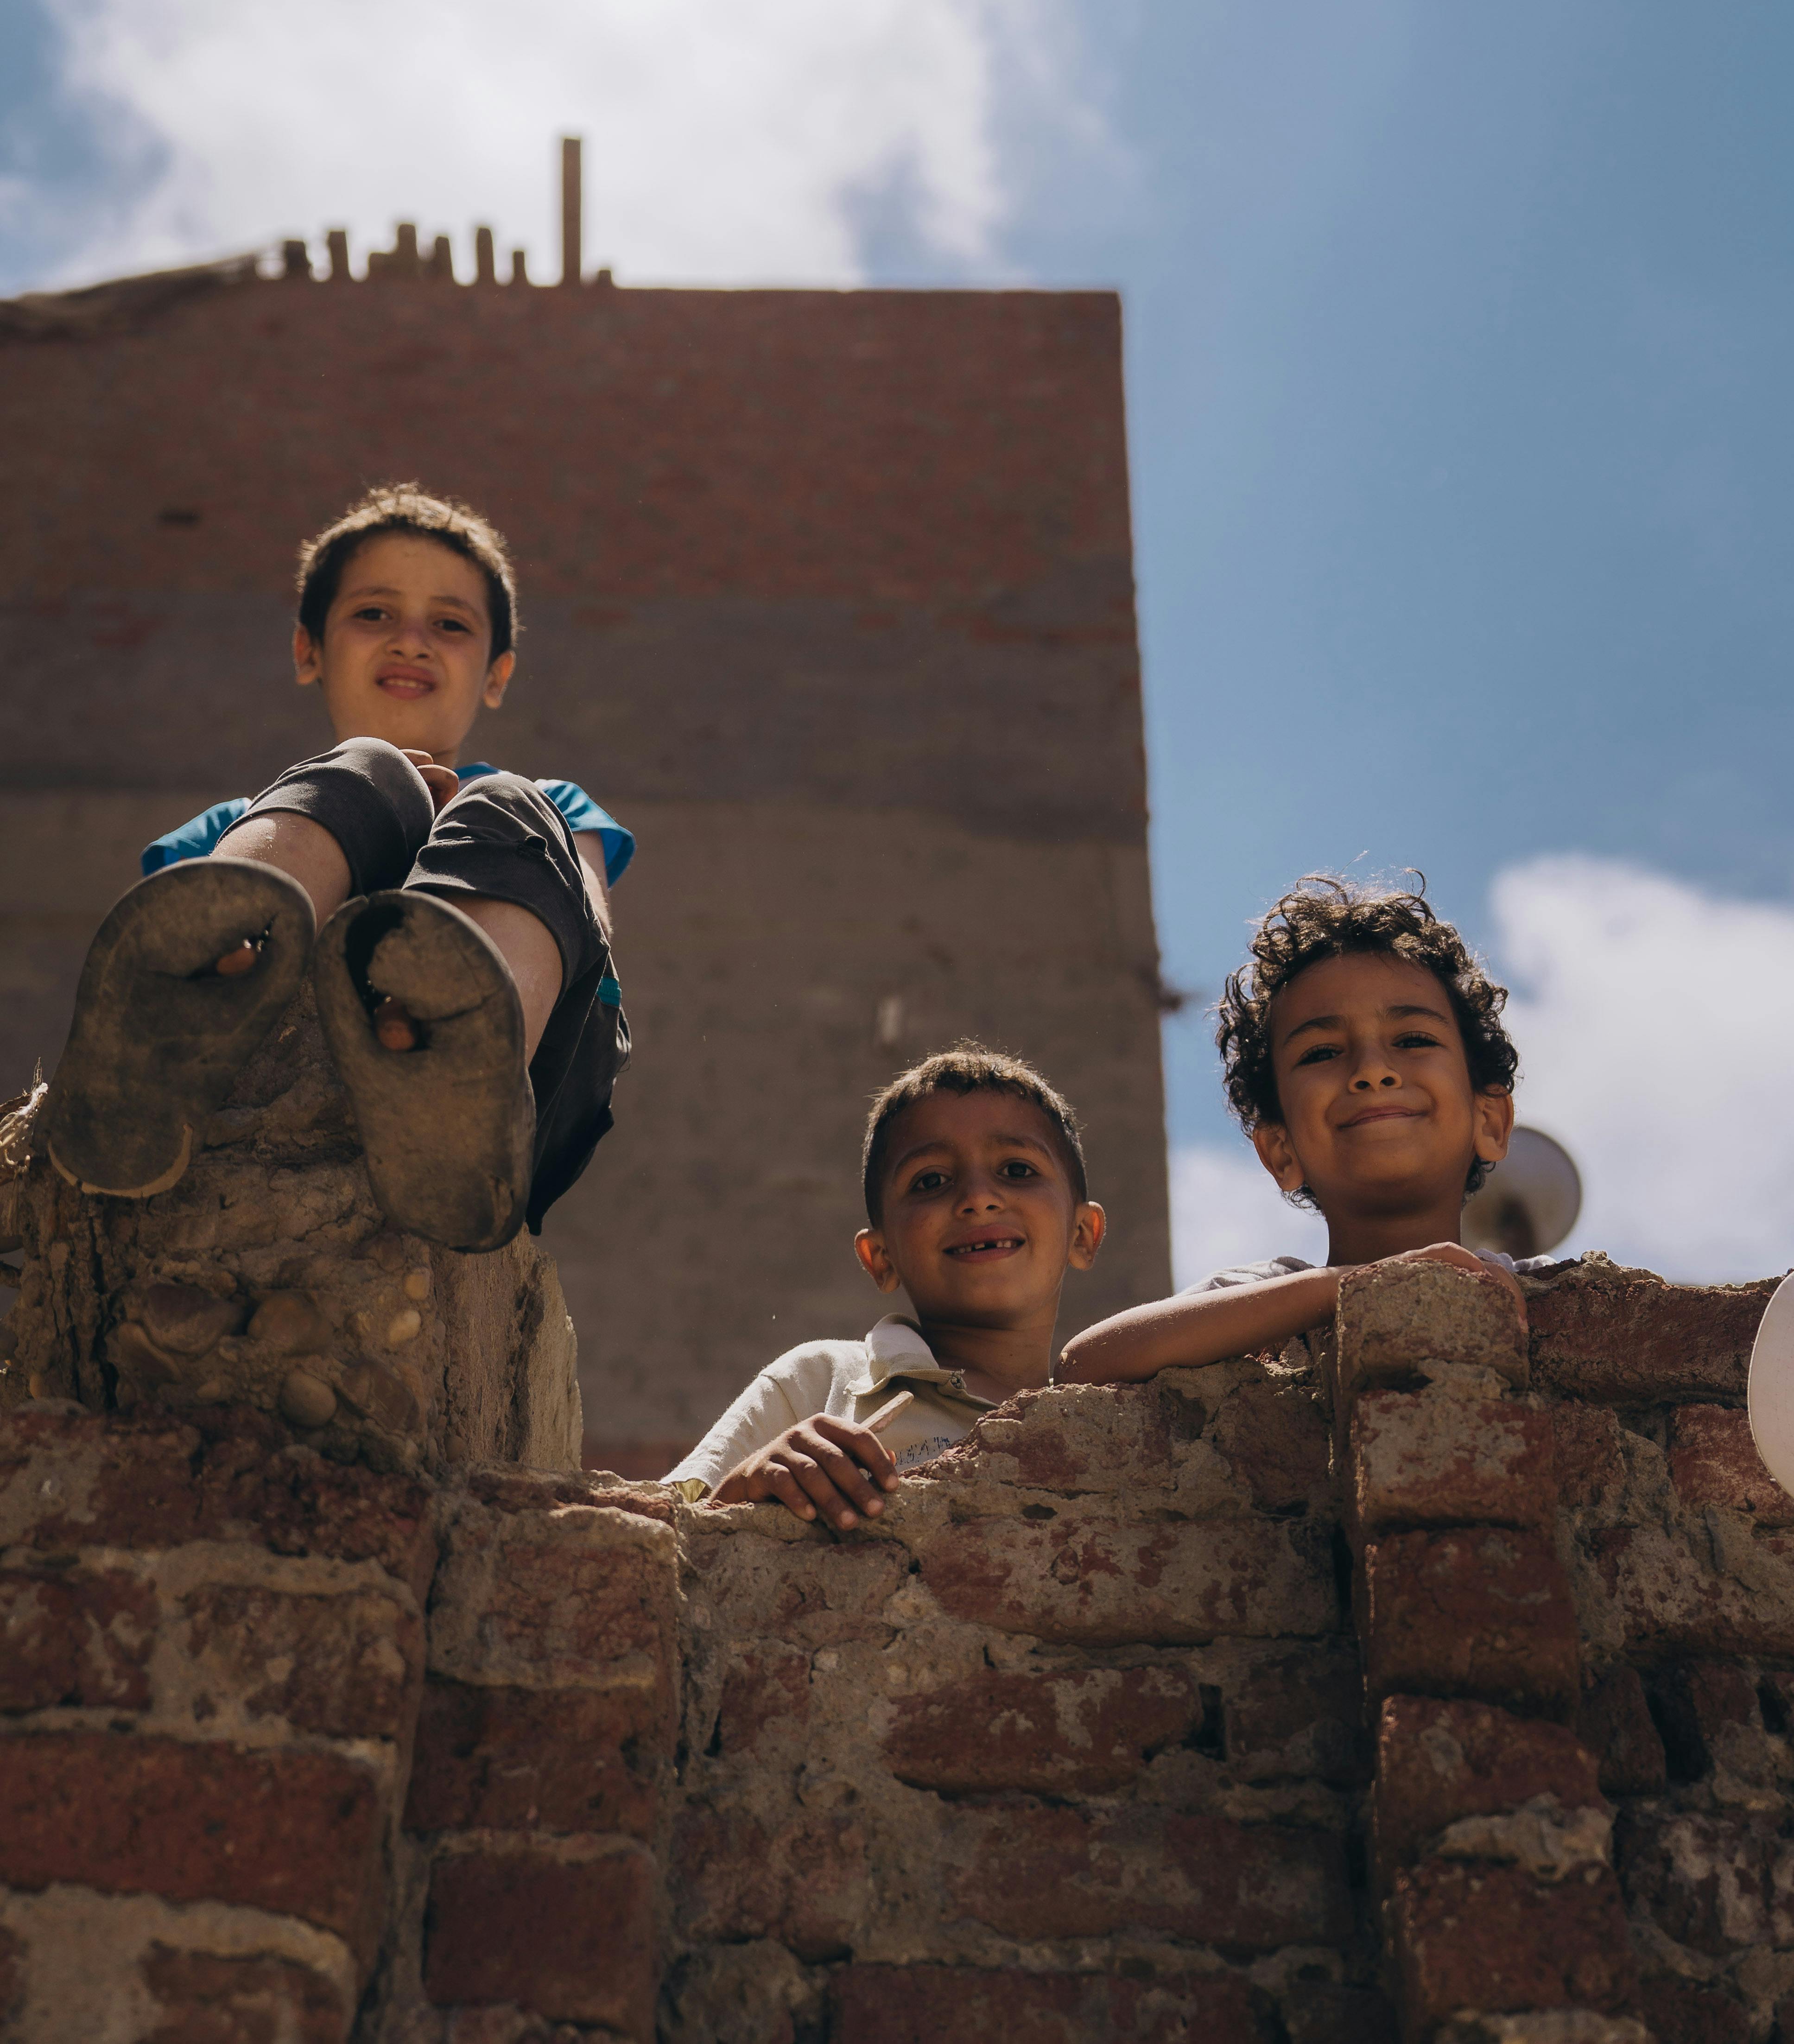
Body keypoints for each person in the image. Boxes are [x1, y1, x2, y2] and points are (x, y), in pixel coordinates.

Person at [35, 485, 629, 1253]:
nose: (411, 641)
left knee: (502, 799)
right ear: (306, 649)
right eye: (374, 614)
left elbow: (594, 941)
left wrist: (450, 837)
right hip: (268, 1072)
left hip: (524, 1106)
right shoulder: (243, 828)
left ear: (497, 673)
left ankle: (463, 1077)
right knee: (368, 771)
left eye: (449, 624)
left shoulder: (550, 807)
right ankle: (151, 1073)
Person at [1059, 876, 1526, 1384]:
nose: (1372, 1070)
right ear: (1280, 1152)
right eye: (1322, 1053)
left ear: (1490, 1121)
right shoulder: (1258, 1301)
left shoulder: (1542, 1294)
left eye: (1413, 1039)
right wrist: (1354, 1287)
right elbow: (1084, 1364)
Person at [667, 1043, 1105, 1524]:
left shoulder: (1108, 1422)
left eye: (1017, 1170)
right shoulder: (821, 1381)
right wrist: (746, 1484)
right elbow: (665, 1530)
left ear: (1083, 1235)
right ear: (880, 1258)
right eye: (931, 1180)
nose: (979, 1198)